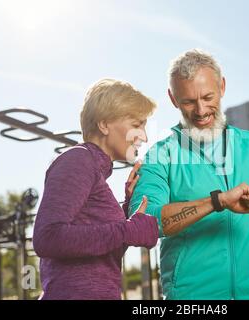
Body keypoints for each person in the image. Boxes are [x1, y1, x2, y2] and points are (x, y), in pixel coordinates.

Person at [129, 49, 249, 300]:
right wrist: (217, 201)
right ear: (172, 98)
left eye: (207, 97)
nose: (201, 111)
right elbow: (145, 222)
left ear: (222, 87)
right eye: (188, 101)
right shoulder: (160, 155)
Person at [33, 78, 159, 300]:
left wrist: (127, 209)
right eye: (137, 125)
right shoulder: (78, 159)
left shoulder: (93, 169)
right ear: (104, 124)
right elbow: (47, 238)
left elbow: (102, 255)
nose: (144, 136)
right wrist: (128, 230)